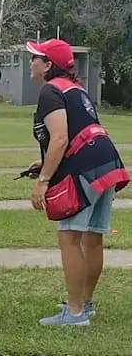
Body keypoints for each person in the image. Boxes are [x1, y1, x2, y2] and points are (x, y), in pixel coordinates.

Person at [26, 38, 130, 326]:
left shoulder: (50, 90)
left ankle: (73, 313)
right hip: (105, 162)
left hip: (86, 166)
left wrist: (43, 181)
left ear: (48, 65)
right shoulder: (76, 89)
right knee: (92, 238)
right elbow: (75, 134)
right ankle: (85, 304)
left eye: (36, 57)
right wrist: (44, 163)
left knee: (69, 237)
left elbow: (59, 138)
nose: (31, 62)